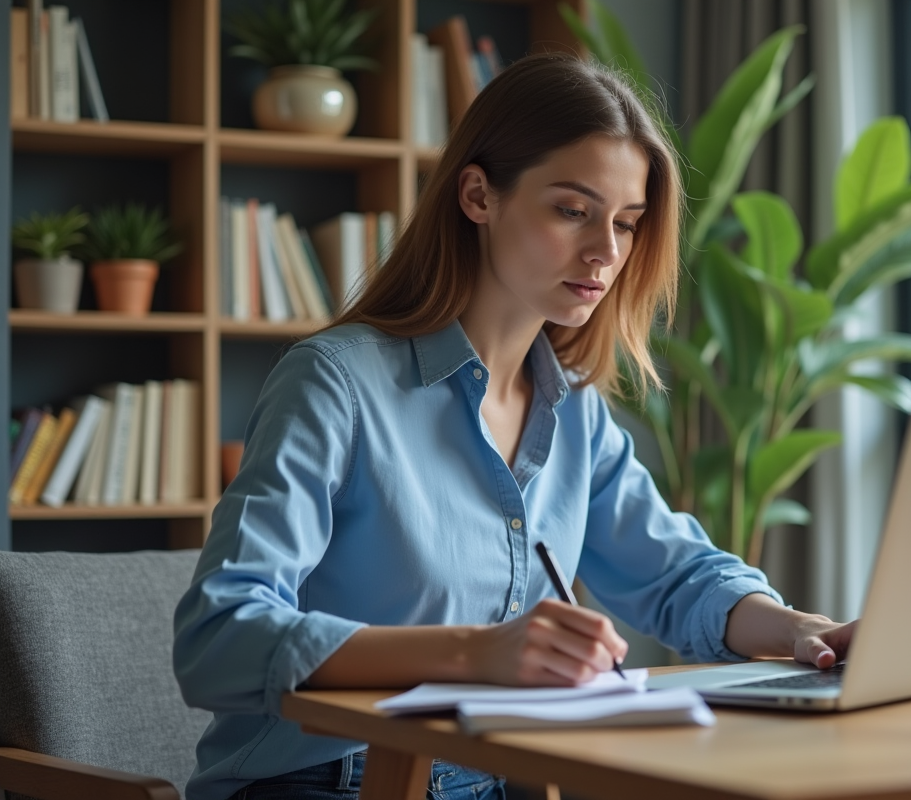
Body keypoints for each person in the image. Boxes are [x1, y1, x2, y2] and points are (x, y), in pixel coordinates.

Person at [173, 52, 856, 800]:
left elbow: (677, 578)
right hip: (322, 781)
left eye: (626, 224)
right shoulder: (336, 381)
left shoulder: (575, 409)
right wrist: (476, 653)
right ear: (477, 196)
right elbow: (220, 638)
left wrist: (797, 632)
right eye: (572, 210)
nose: (605, 252)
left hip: (504, 778)